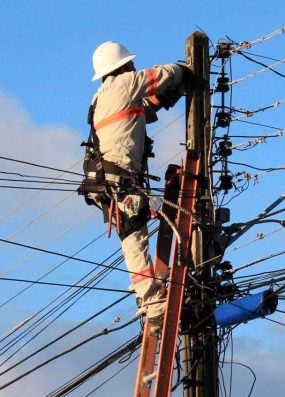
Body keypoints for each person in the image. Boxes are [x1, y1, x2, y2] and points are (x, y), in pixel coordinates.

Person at [79, 41, 190, 334]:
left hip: (108, 181)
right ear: (124, 65)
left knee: (132, 237)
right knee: (135, 239)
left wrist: (170, 94)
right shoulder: (125, 83)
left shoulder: (102, 95)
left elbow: (145, 111)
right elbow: (162, 75)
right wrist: (187, 70)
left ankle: (150, 303)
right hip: (121, 179)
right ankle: (154, 305)